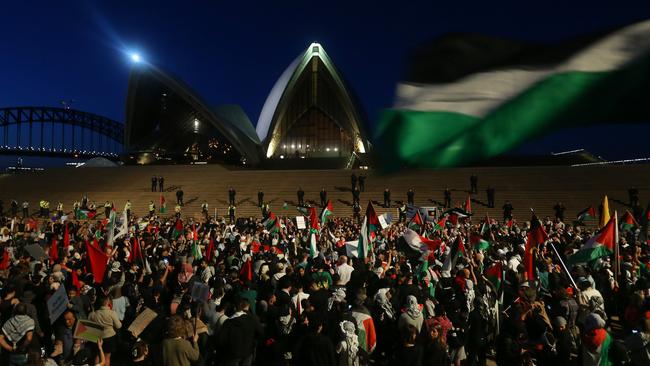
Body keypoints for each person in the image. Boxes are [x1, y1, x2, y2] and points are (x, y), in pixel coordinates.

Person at [217, 299, 262, 366]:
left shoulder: (228, 322)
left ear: (235, 308)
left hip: (232, 355)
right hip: (247, 353)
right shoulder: (253, 320)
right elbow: (260, 333)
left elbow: (221, 340)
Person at [88, 296, 121, 366]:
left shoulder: (93, 314)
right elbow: (118, 326)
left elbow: (88, 326)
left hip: (97, 337)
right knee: (107, 357)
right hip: (110, 337)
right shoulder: (111, 313)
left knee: (97, 355)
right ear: (107, 302)